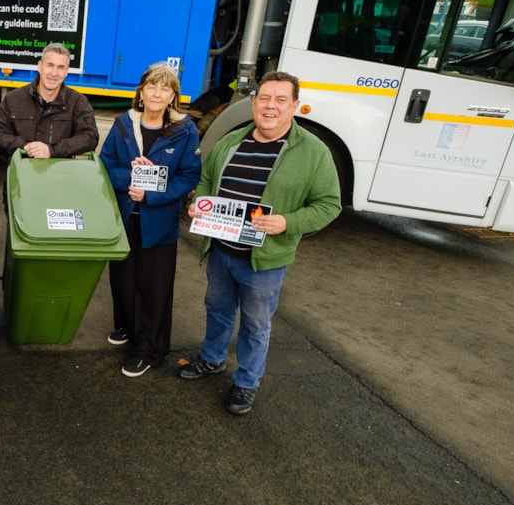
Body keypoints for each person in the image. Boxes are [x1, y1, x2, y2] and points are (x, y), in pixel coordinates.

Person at [179, 70, 341, 415]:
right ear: (254, 102)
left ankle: (247, 381)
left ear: (294, 106)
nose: (271, 106)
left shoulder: (313, 152)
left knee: (255, 324)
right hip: (222, 250)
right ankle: (212, 358)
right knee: (218, 310)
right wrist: (200, 203)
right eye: (265, 98)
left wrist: (288, 222)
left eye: (281, 100)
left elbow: (329, 205)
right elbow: (207, 179)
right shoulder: (232, 140)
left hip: (264, 260)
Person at [99, 63, 201, 378]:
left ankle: (150, 350)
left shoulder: (185, 130)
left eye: (165, 88)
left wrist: (152, 195)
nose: (157, 93)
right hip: (126, 218)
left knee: (154, 288)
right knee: (124, 282)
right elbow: (105, 167)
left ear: (173, 95)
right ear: (141, 92)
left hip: (159, 224)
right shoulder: (122, 125)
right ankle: (129, 328)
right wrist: (131, 177)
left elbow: (189, 176)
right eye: (151, 87)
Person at [0, 43, 98, 159]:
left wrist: (52, 150)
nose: (54, 73)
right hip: (22, 173)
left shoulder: (78, 102)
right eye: (50, 65)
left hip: (61, 174)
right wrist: (25, 146)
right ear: (40, 66)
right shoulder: (13, 99)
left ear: (67, 72)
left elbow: (90, 137)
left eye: (61, 67)